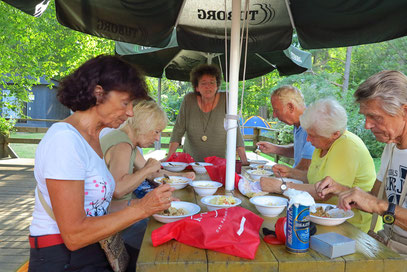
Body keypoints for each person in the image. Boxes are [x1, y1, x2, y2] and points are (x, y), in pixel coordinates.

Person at [28, 55, 175, 271]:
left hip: (90, 250)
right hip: (63, 258)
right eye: (126, 103)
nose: (130, 112)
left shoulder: (92, 139)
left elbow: (98, 207)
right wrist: (142, 209)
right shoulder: (65, 140)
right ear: (98, 94)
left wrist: (146, 205)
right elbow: (74, 235)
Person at [316, 71, 407, 254]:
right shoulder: (391, 147)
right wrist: (343, 190)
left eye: (375, 117)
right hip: (390, 245)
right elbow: (376, 199)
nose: (367, 125)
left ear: (404, 111)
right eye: (365, 116)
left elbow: (379, 205)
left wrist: (378, 206)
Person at [260, 98, 376, 232]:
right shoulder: (323, 144)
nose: (308, 140)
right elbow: (316, 178)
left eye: (312, 135)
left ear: (335, 134)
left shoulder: (347, 146)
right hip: (324, 219)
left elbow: (324, 192)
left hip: (353, 228)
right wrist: (291, 173)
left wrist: (281, 187)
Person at [101, 99, 195, 201]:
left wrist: (182, 176)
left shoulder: (126, 141)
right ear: (144, 125)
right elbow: (118, 190)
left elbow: (151, 173)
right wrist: (147, 169)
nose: (158, 138)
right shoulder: (123, 146)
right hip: (112, 212)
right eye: (156, 131)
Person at [164, 64, 249, 164]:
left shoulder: (226, 99)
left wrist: (245, 161)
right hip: (191, 164)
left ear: (217, 86)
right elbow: (178, 130)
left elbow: (236, 131)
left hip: (219, 165)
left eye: (212, 82)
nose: (208, 86)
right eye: (203, 83)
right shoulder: (189, 100)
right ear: (197, 87)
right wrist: (169, 157)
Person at [257, 86, 315, 171]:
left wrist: (285, 174)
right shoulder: (298, 124)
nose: (274, 115)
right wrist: (274, 148)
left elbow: (306, 166)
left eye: (276, 110)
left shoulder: (313, 124)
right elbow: (299, 150)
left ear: (290, 107)